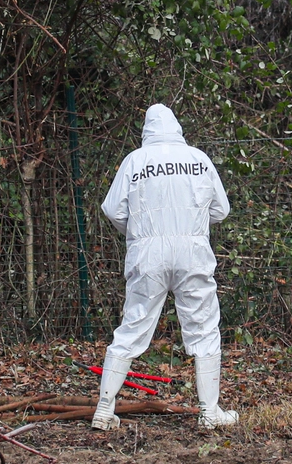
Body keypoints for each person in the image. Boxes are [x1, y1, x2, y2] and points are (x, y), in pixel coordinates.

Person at [92, 103, 236, 431]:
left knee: (131, 329)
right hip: (192, 252)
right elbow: (221, 210)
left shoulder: (135, 161)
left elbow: (113, 210)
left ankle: (104, 408)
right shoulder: (199, 160)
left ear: (145, 130)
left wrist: (139, 231)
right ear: (177, 127)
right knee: (203, 329)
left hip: (147, 254)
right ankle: (209, 412)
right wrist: (194, 220)